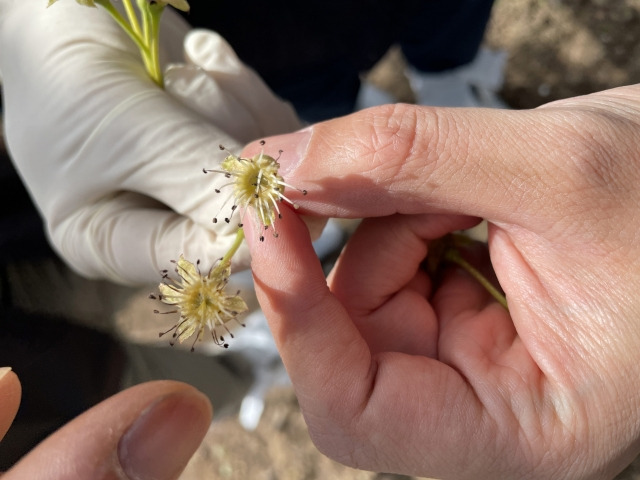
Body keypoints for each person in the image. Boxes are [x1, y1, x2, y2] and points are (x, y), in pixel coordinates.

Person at [5, 1, 640, 479]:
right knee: (310, 86)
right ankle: (363, 97)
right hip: (264, 32)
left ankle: (449, 74)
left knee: (440, 17)